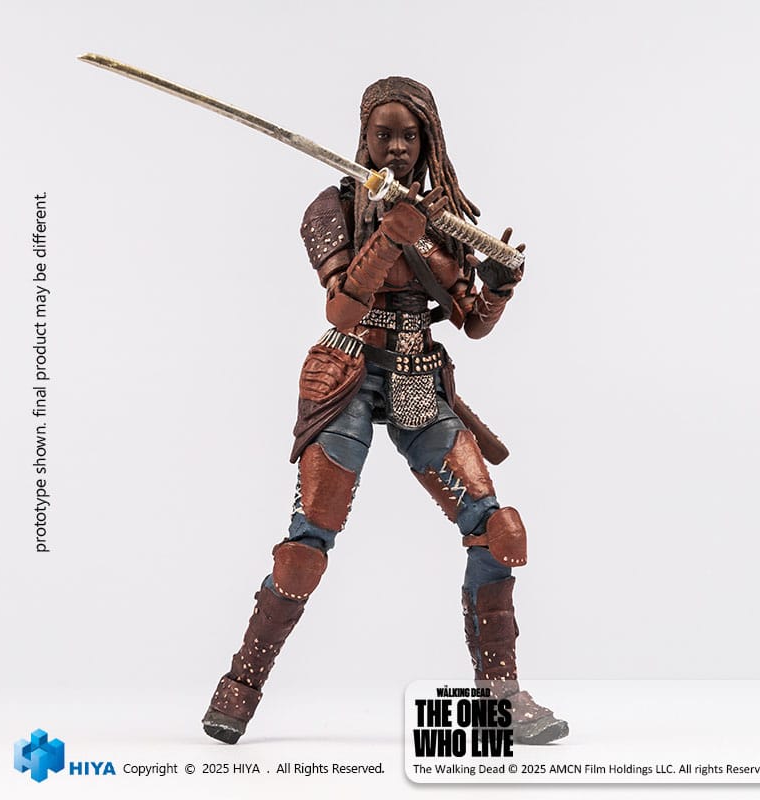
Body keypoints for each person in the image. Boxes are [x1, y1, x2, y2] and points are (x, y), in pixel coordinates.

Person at [201, 76, 568, 745]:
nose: (396, 147)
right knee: (306, 545)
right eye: (383, 135)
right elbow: (343, 307)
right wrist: (391, 237)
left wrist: (499, 287)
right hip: (347, 369)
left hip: (418, 375)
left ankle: (501, 698)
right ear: (365, 138)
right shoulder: (332, 208)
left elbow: (470, 323)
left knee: (498, 531)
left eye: (409, 136)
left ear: (428, 143)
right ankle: (240, 684)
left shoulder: (445, 221)